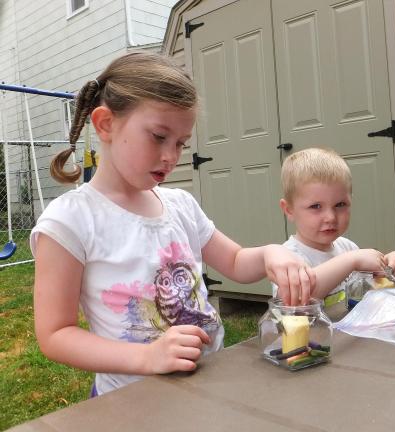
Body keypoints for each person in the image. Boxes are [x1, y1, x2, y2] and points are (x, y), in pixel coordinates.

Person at [30, 52, 314, 396]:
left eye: (181, 143)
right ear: (105, 123)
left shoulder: (180, 205)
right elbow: (56, 334)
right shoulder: (70, 221)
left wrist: (271, 254)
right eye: (158, 136)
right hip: (133, 401)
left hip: (210, 385)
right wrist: (148, 357)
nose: (171, 156)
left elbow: (237, 263)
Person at [274, 147, 395, 308]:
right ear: (289, 210)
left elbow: (370, 284)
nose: (330, 217)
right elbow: (295, 301)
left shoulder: (347, 248)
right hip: (311, 333)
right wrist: (351, 261)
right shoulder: (288, 257)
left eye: (340, 204)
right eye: (316, 206)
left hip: (347, 331)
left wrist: (392, 264)